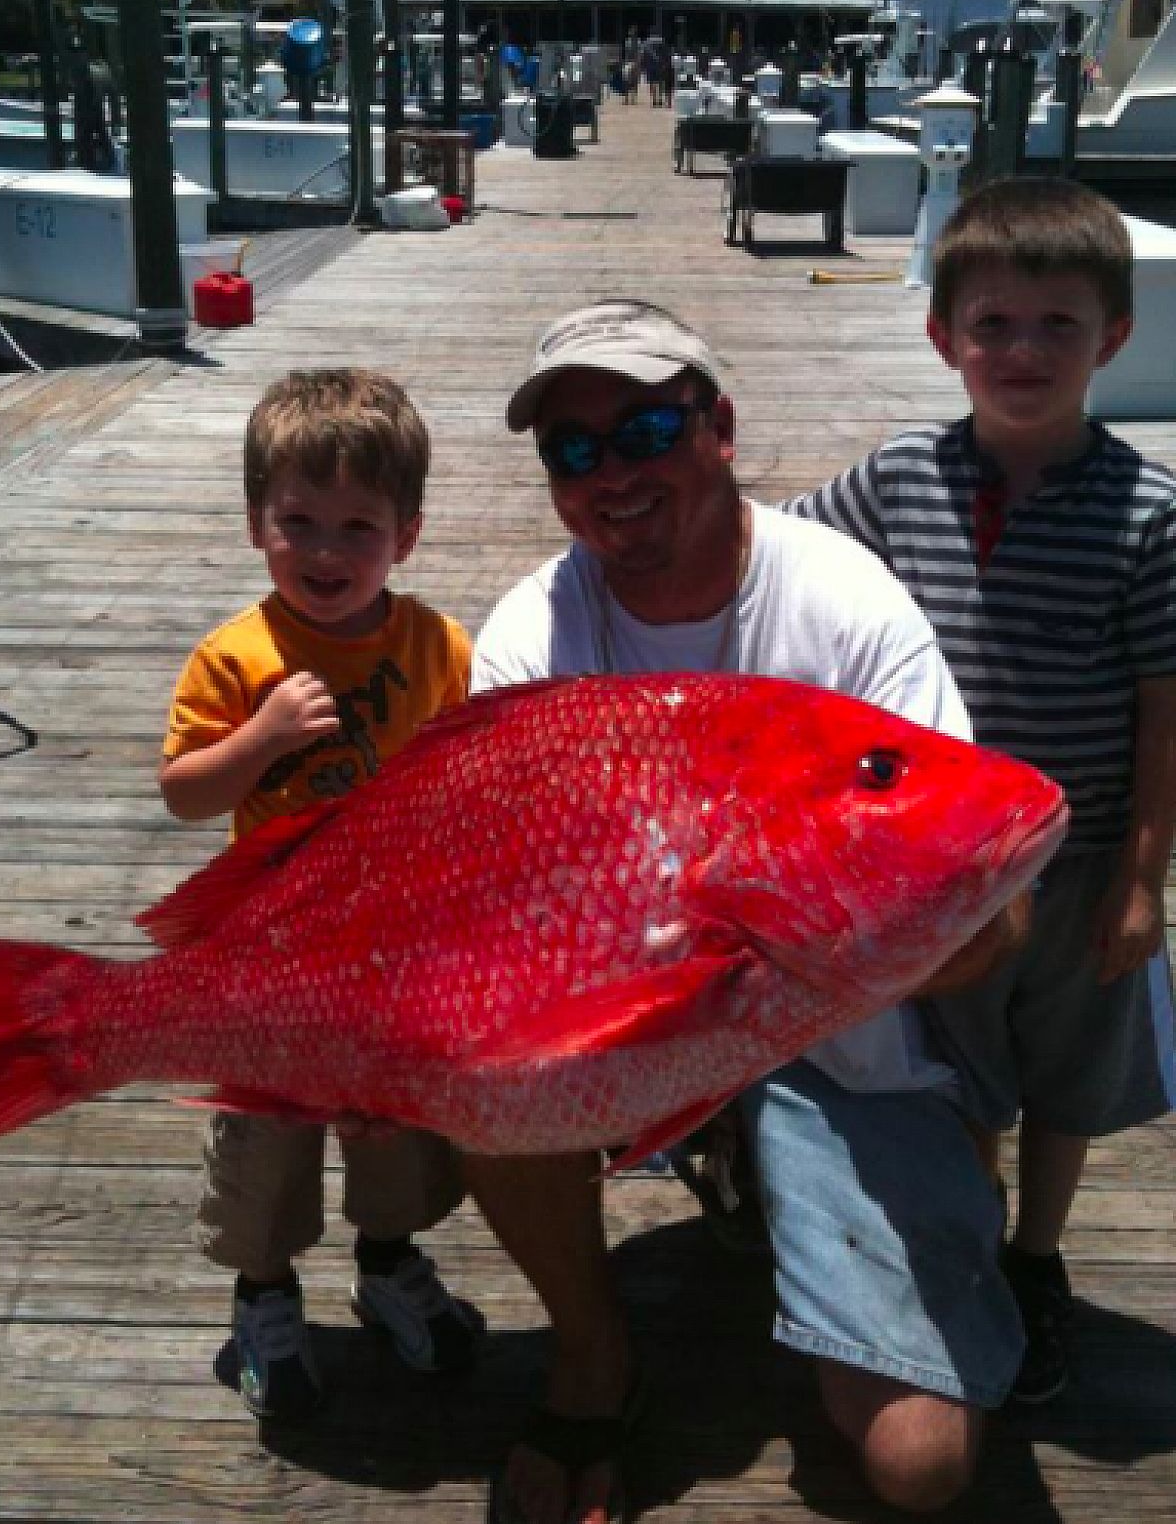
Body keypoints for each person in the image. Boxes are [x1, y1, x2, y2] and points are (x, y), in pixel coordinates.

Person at [467, 299, 1027, 1524]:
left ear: (718, 427)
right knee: (461, 1062)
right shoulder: (527, 641)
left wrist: (820, 960)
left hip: (848, 1047)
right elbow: (500, 917)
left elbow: (992, 912)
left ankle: (828, 1184)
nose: (612, 474)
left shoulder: (844, 601)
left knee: (921, 1470)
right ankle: (593, 1355)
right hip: (632, 1026)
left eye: (646, 430)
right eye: (573, 450)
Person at [784, 177, 1176, 1405]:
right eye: (993, 324)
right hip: (938, 869)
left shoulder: (1151, 511)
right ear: (941, 335)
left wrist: (1142, 882)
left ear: (1113, 337)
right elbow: (782, 555)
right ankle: (966, 1241)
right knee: (955, 1069)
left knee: (1068, 1076)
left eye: (1060, 325)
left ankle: (1036, 1258)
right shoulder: (898, 476)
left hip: (1082, 861)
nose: (1023, 352)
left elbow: (1165, 715)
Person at [159, 367, 483, 1423]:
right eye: (299, 522)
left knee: (399, 1127)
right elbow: (185, 794)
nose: (327, 552)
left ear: (407, 534)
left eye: (359, 527)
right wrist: (259, 740)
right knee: (269, 1136)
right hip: (270, 951)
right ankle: (262, 1292)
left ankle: (387, 1261)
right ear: (258, 522)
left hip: (397, 945)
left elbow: (464, 774)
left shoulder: (437, 647)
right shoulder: (235, 658)